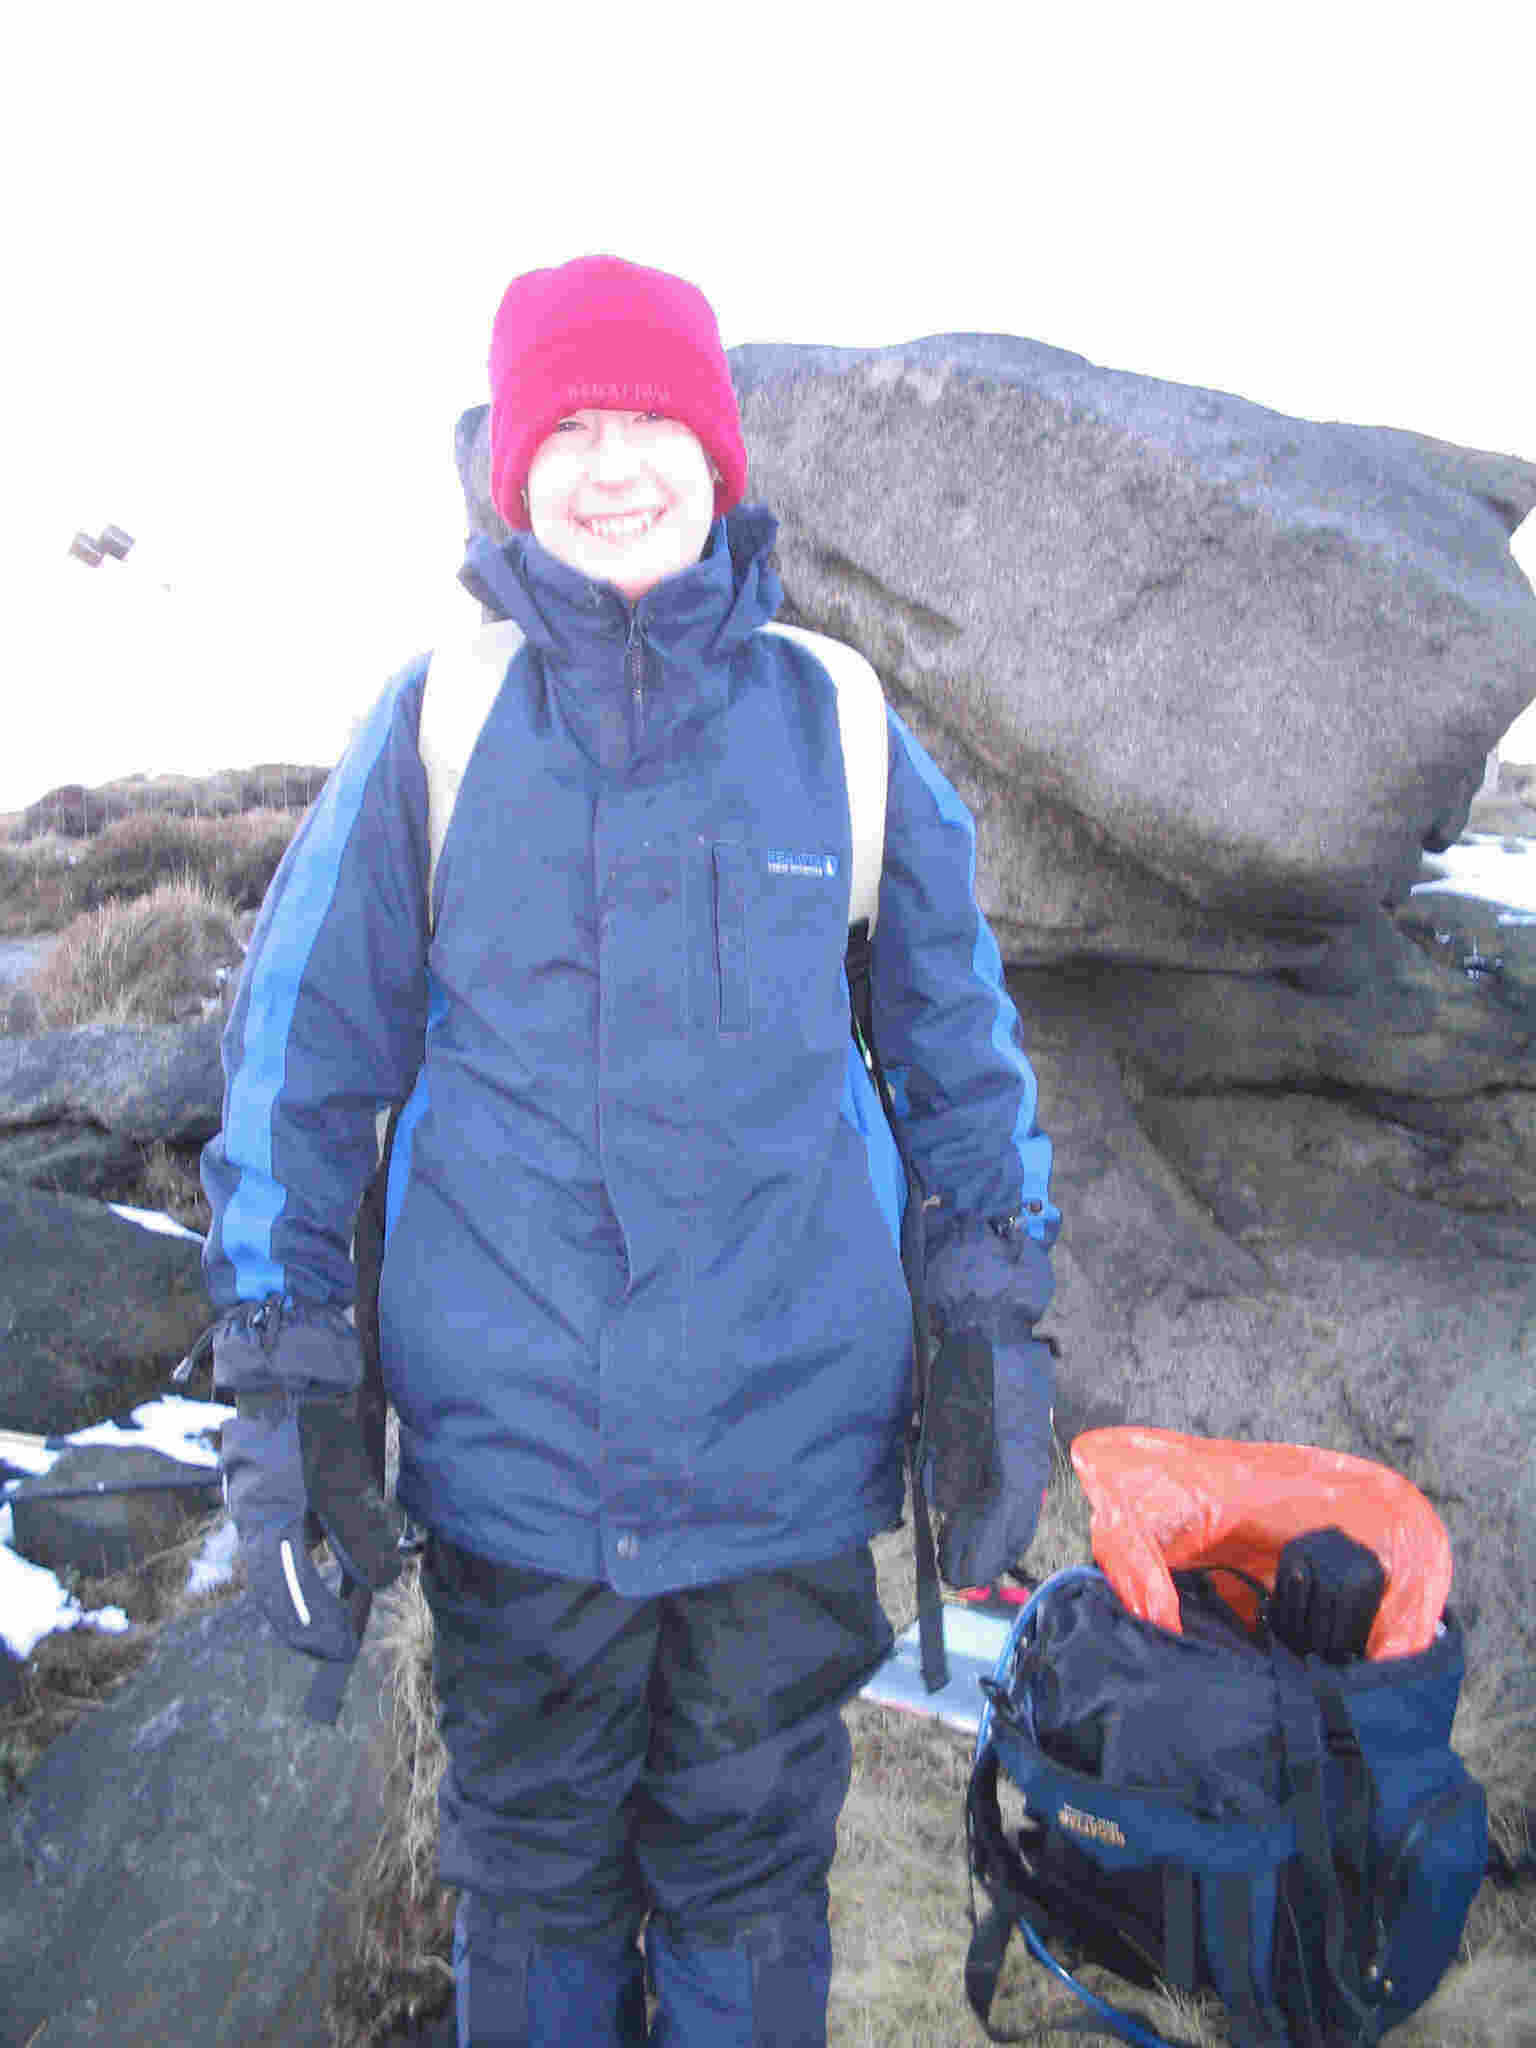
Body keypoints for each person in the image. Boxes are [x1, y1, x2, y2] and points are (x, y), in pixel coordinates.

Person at [200, 254, 1059, 2047]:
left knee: (749, 1885)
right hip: (521, 1476)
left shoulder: (839, 723)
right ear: (512, 468)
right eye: (569, 426)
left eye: (650, 419)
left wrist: (991, 1334)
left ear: (717, 452)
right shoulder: (432, 728)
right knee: (531, 1884)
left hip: (785, 1466)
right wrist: (286, 1386)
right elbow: (302, 1073)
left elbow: (960, 1059)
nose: (614, 464)